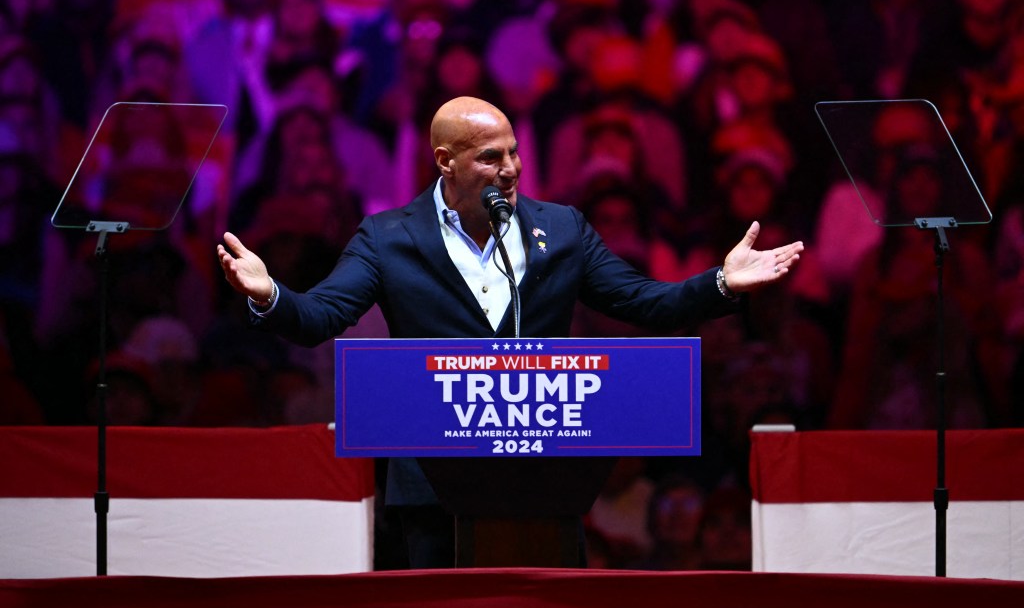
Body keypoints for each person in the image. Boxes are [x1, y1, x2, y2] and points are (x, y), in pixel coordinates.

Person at [216, 95, 803, 568]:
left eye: (515, 153)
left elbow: (643, 302)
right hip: (433, 487)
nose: (511, 169)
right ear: (445, 161)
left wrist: (720, 284)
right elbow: (321, 317)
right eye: (490, 158)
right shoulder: (388, 238)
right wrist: (271, 296)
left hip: (543, 476)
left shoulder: (562, 228)